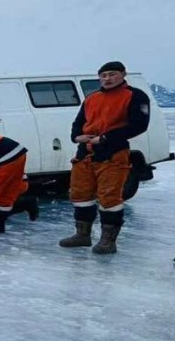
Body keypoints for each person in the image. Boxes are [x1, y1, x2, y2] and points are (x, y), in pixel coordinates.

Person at [58, 61, 150, 254]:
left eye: (112, 74)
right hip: (85, 152)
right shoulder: (92, 98)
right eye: (104, 75)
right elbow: (79, 122)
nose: (107, 78)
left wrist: (107, 138)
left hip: (113, 152)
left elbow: (139, 125)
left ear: (123, 74)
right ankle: (82, 235)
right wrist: (76, 137)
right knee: (80, 194)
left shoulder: (135, 96)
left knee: (109, 197)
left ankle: (108, 241)